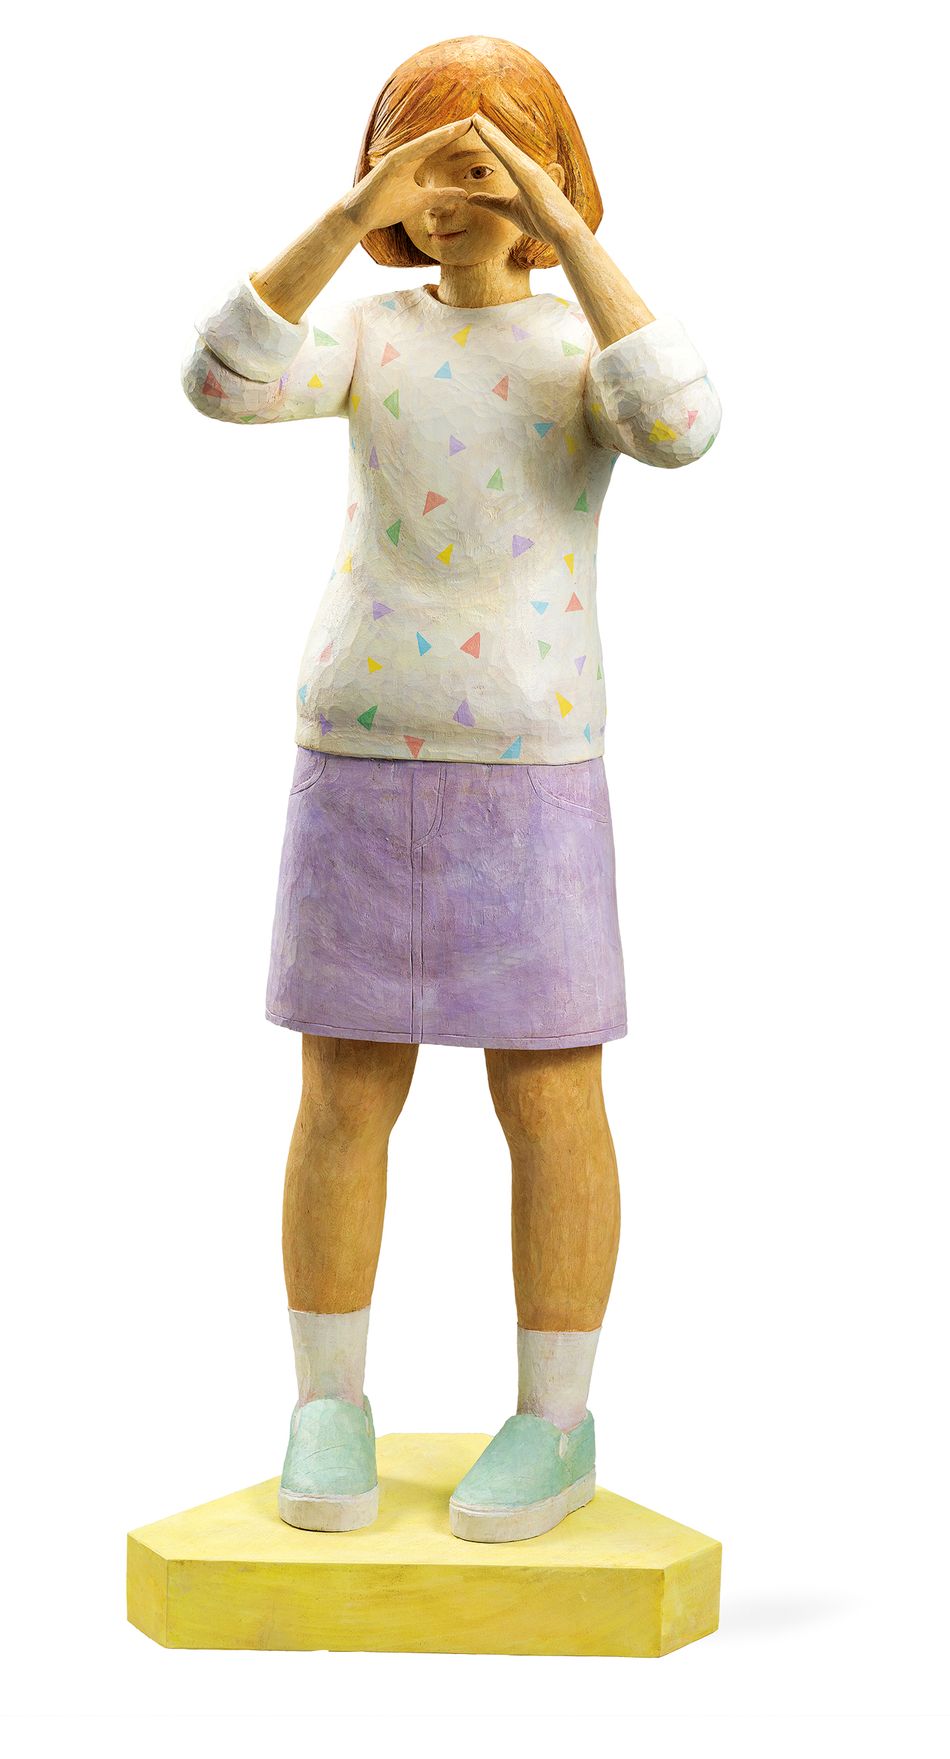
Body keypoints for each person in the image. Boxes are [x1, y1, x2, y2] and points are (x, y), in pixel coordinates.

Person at [181, 35, 721, 1542]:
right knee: (343, 1089)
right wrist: (346, 217)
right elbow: (220, 381)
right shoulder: (367, 332)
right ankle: (326, 1402)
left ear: (555, 166)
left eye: (493, 153)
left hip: (531, 767)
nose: (457, 181)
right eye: (425, 154)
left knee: (548, 1093)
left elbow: (681, 423)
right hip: (358, 750)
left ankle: (554, 1420)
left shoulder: (581, 348)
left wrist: (567, 230)